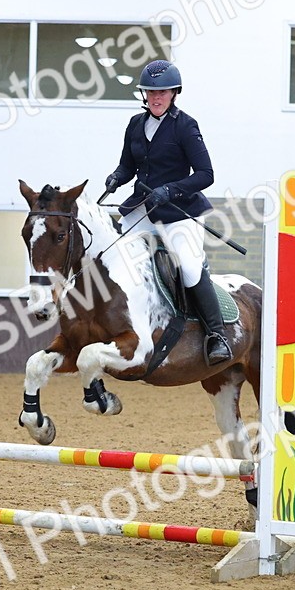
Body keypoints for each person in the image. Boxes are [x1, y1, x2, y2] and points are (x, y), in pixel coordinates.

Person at [103, 60, 231, 366]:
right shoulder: (136, 124)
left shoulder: (185, 126)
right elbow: (127, 165)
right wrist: (117, 177)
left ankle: (216, 335)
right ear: (144, 94)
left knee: (188, 265)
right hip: (142, 207)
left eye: (162, 92)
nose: (156, 97)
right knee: (113, 257)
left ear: (174, 93)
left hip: (178, 210)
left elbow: (206, 174)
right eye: (150, 91)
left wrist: (171, 189)